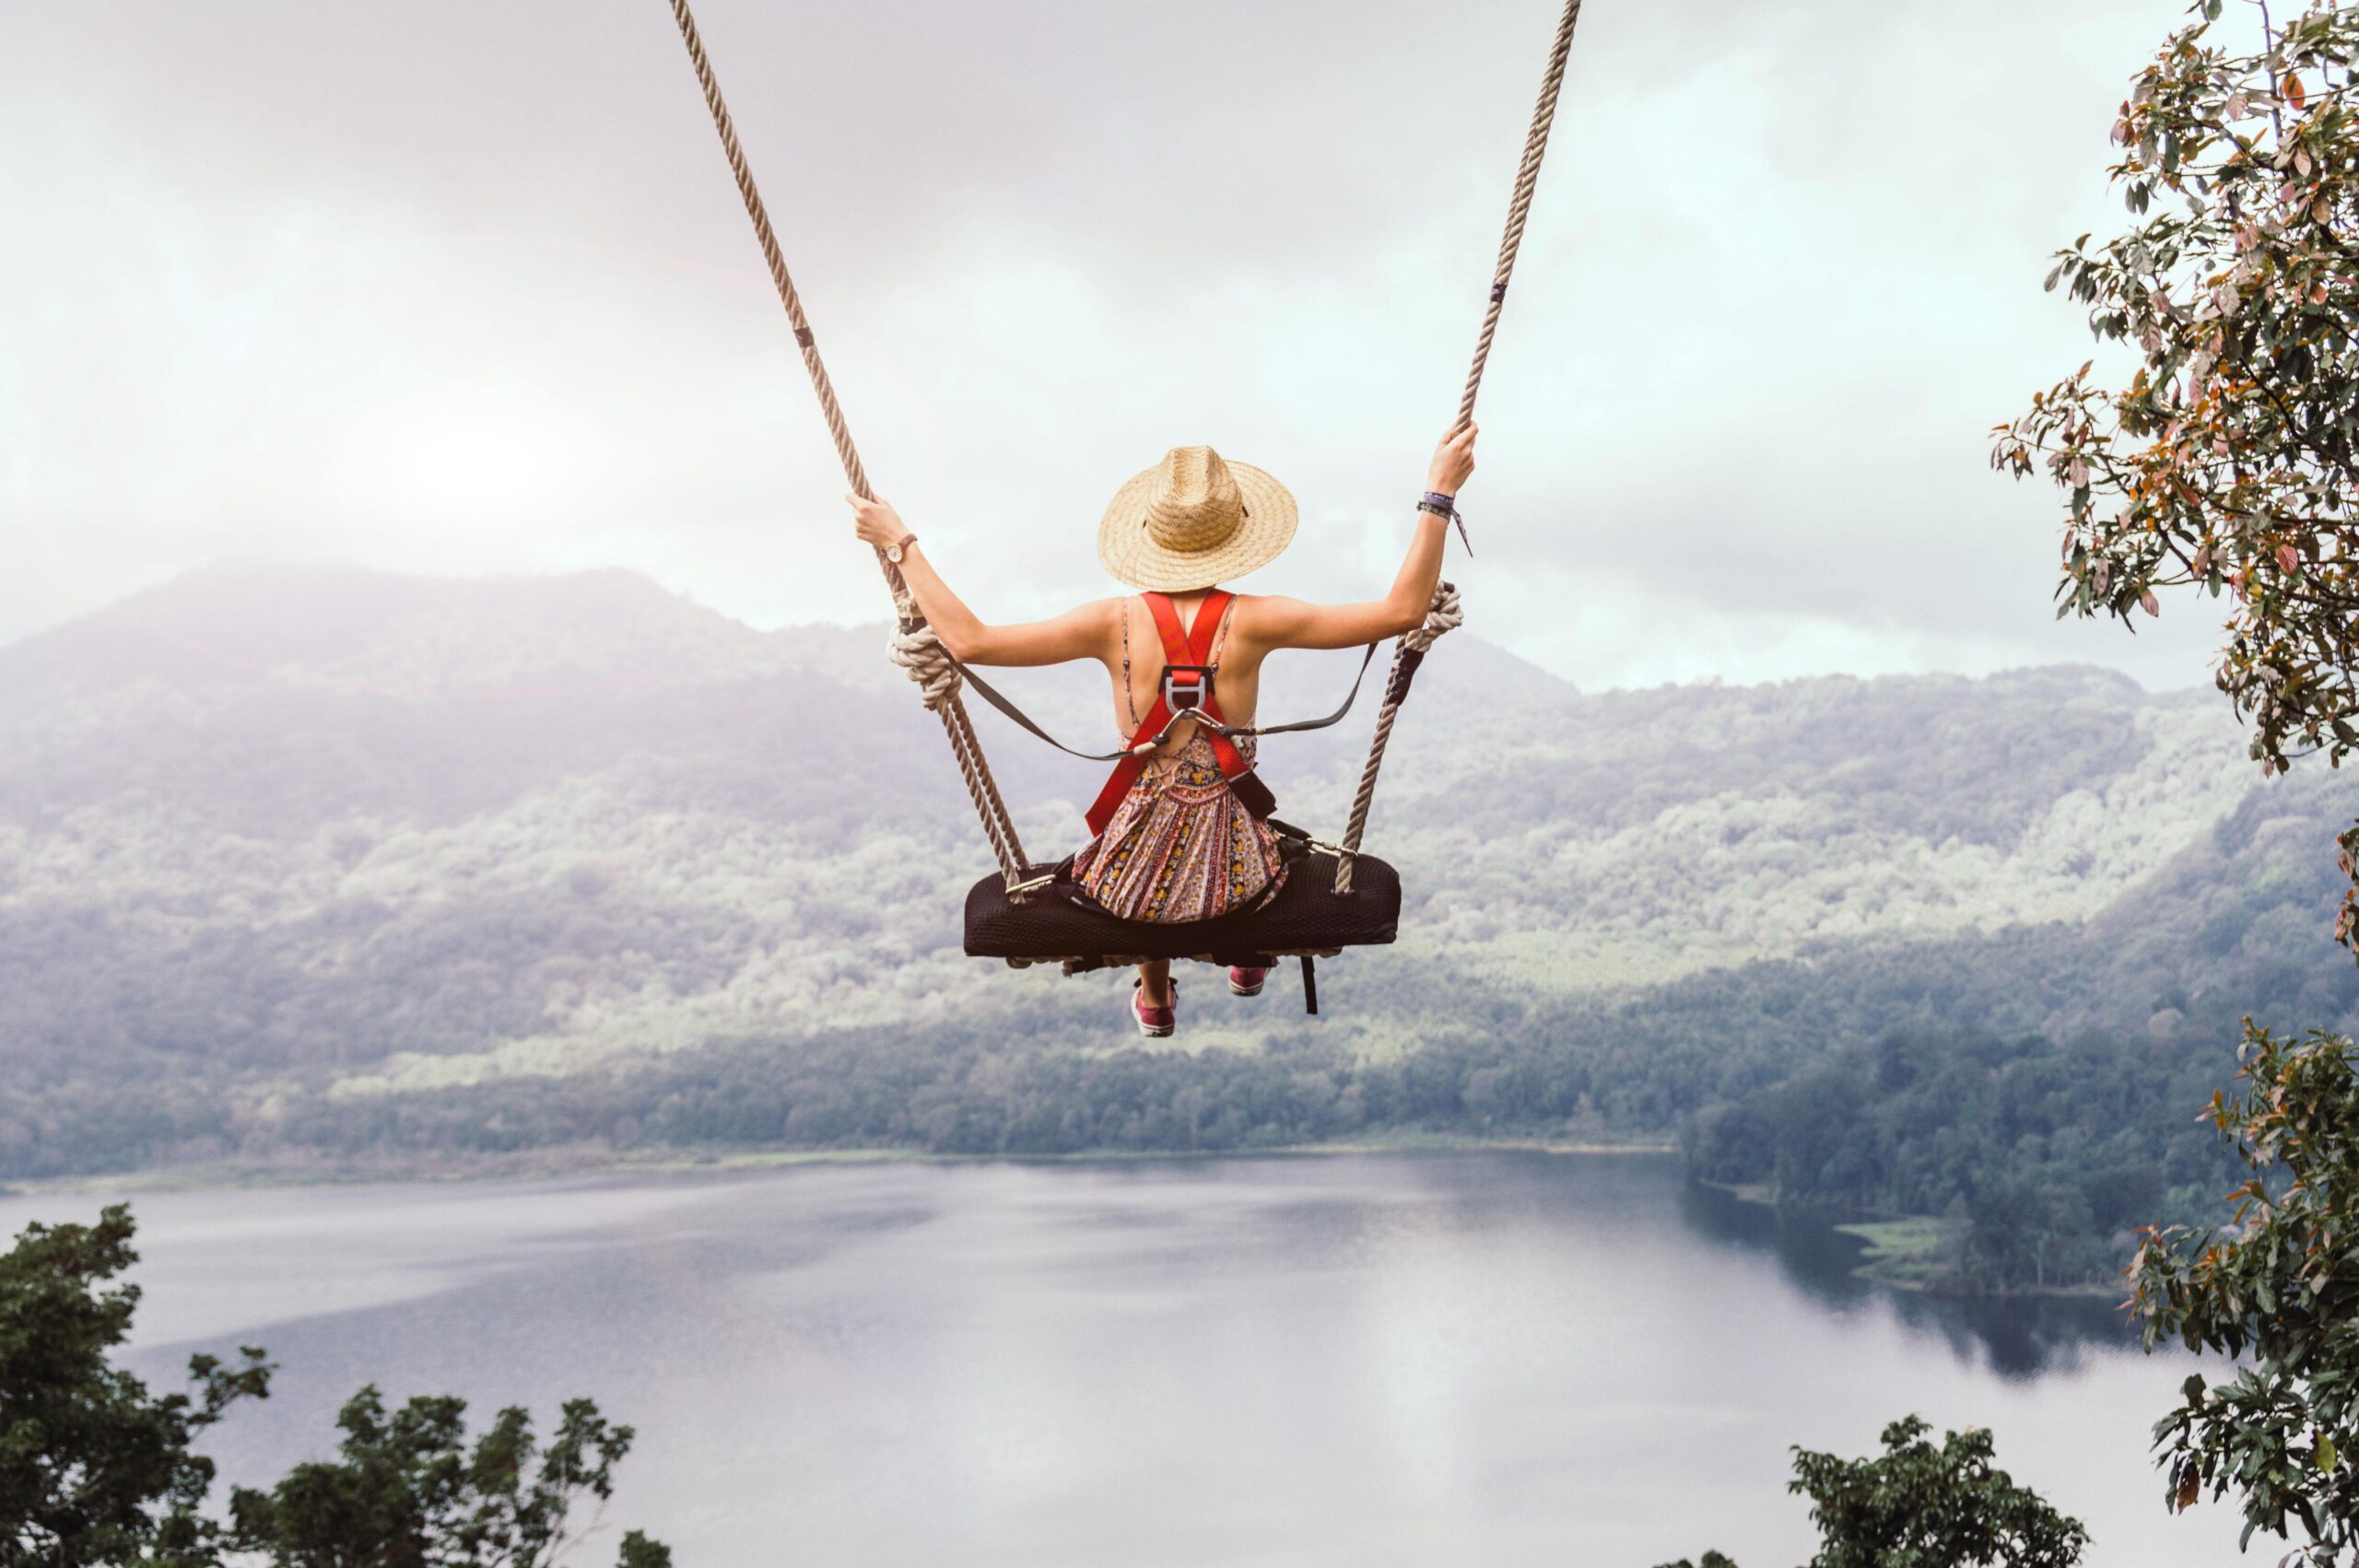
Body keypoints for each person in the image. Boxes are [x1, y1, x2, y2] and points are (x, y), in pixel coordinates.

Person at [848, 424, 1477, 1037]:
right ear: (1238, 534)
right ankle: (1251, 955)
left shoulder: (1109, 622)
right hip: (1240, 883)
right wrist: (1438, 493)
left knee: (1138, 832)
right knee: (1250, 825)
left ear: (1149, 537)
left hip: (1128, 883)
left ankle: (1154, 997)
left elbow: (969, 641)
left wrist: (900, 543)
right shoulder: (1258, 621)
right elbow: (1402, 611)